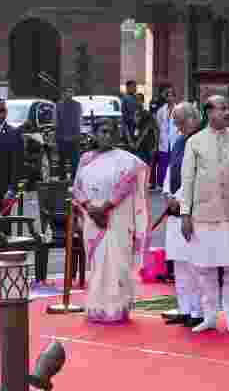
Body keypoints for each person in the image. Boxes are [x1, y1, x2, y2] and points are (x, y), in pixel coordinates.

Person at [178, 95, 229, 334]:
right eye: (222, 108)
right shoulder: (195, 142)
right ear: (208, 112)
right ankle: (210, 315)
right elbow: (188, 179)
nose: (227, 112)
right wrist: (185, 214)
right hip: (203, 214)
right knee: (205, 268)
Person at [71, 119, 150, 323]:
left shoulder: (127, 160)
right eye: (103, 132)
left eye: (111, 132)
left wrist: (105, 208)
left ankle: (116, 308)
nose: (107, 136)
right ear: (95, 134)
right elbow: (77, 186)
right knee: (98, 264)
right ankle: (97, 307)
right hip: (92, 218)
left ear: (117, 135)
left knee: (117, 262)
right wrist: (90, 208)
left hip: (116, 217)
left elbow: (126, 185)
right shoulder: (85, 159)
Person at [161, 101, 204, 325]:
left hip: (192, 211)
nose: (177, 128)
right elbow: (171, 170)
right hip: (174, 211)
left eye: (180, 122)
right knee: (179, 264)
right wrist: (168, 194)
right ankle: (184, 308)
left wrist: (178, 198)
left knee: (194, 264)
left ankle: (198, 312)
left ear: (192, 119)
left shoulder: (201, 141)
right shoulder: (179, 141)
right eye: (175, 123)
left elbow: (197, 176)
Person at [0, 98, 25, 212]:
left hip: (3, 189)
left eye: (1, 110)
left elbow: (17, 163)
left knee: (3, 225)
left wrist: (12, 189)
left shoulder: (13, 133)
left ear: (6, 112)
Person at [150, 86, 175, 191]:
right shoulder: (161, 110)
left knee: (173, 163)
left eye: (171, 95)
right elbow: (157, 127)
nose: (169, 98)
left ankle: (172, 184)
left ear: (174, 97)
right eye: (168, 95)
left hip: (174, 139)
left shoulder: (178, 109)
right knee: (162, 164)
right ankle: (161, 184)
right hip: (163, 140)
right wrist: (156, 142)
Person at [56, 88, 82, 181]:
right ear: (64, 93)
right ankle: (62, 177)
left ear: (73, 93)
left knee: (74, 160)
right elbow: (56, 121)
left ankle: (74, 177)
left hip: (74, 137)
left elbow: (78, 121)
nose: (69, 93)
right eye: (67, 91)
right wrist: (57, 135)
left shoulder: (77, 105)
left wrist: (78, 134)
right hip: (61, 137)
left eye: (71, 91)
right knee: (62, 159)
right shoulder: (59, 105)